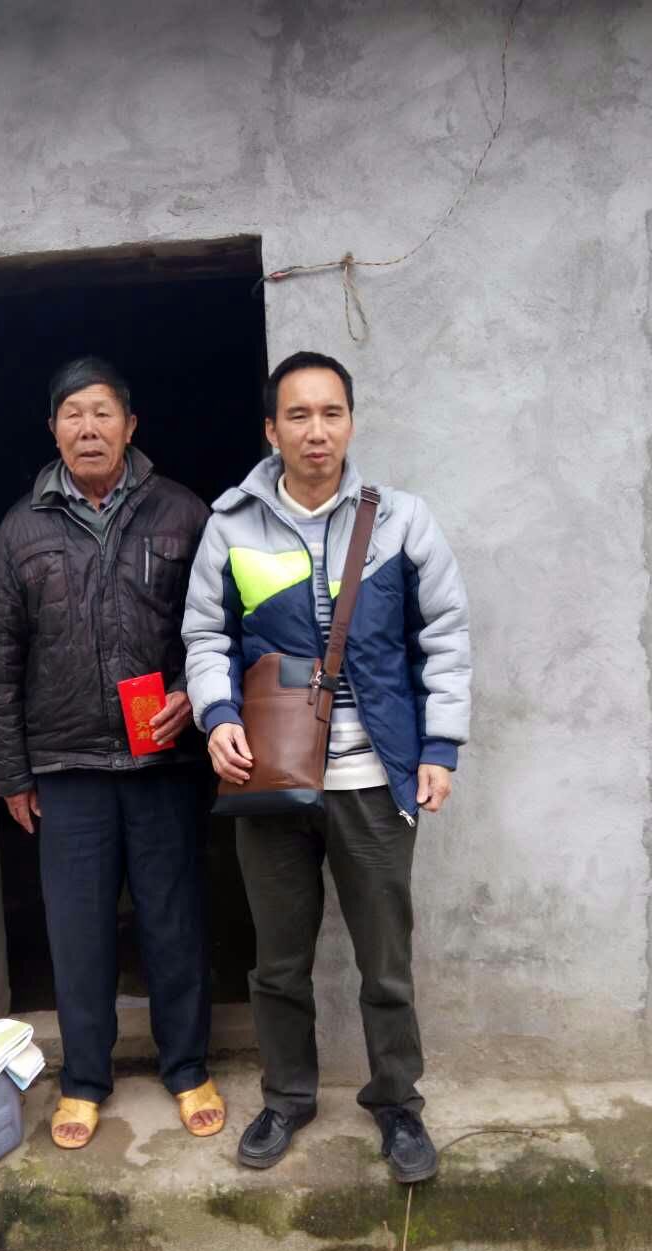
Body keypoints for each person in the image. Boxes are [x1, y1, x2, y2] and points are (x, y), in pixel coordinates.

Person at [182, 351, 470, 1180]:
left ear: (350, 422)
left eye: (331, 413)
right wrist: (217, 717)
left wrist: (440, 748)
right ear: (272, 430)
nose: (317, 430)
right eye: (299, 415)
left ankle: (398, 1104)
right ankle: (287, 1098)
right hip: (270, 779)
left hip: (375, 780)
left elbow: (444, 635)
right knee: (278, 964)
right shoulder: (231, 524)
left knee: (386, 963)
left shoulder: (403, 520)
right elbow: (205, 635)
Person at [0, 355, 224, 1150]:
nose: (88, 429)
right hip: (67, 766)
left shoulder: (182, 512)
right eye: (72, 414)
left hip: (164, 762)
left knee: (173, 923)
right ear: (53, 428)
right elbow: (0, 661)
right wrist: (12, 773)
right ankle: (84, 1079)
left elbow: (220, 624)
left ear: (130, 425)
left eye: (103, 413)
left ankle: (187, 1067)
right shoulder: (21, 529)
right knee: (78, 932)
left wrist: (192, 691)